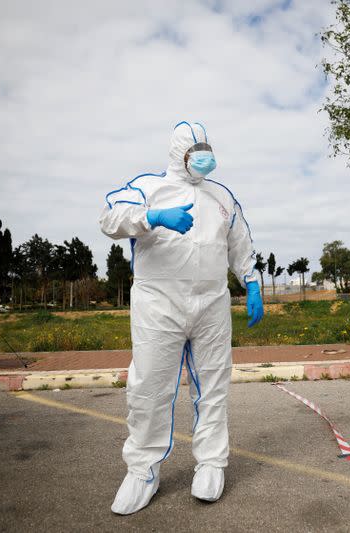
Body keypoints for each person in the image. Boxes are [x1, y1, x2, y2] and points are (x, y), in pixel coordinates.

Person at [99, 120, 264, 515]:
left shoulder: (221, 196)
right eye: (195, 149)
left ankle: (211, 463)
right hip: (159, 304)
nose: (204, 155)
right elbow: (109, 219)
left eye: (207, 147)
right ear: (178, 153)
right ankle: (142, 471)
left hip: (211, 305)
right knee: (150, 388)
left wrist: (252, 281)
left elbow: (239, 242)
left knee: (213, 385)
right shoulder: (148, 187)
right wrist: (153, 217)